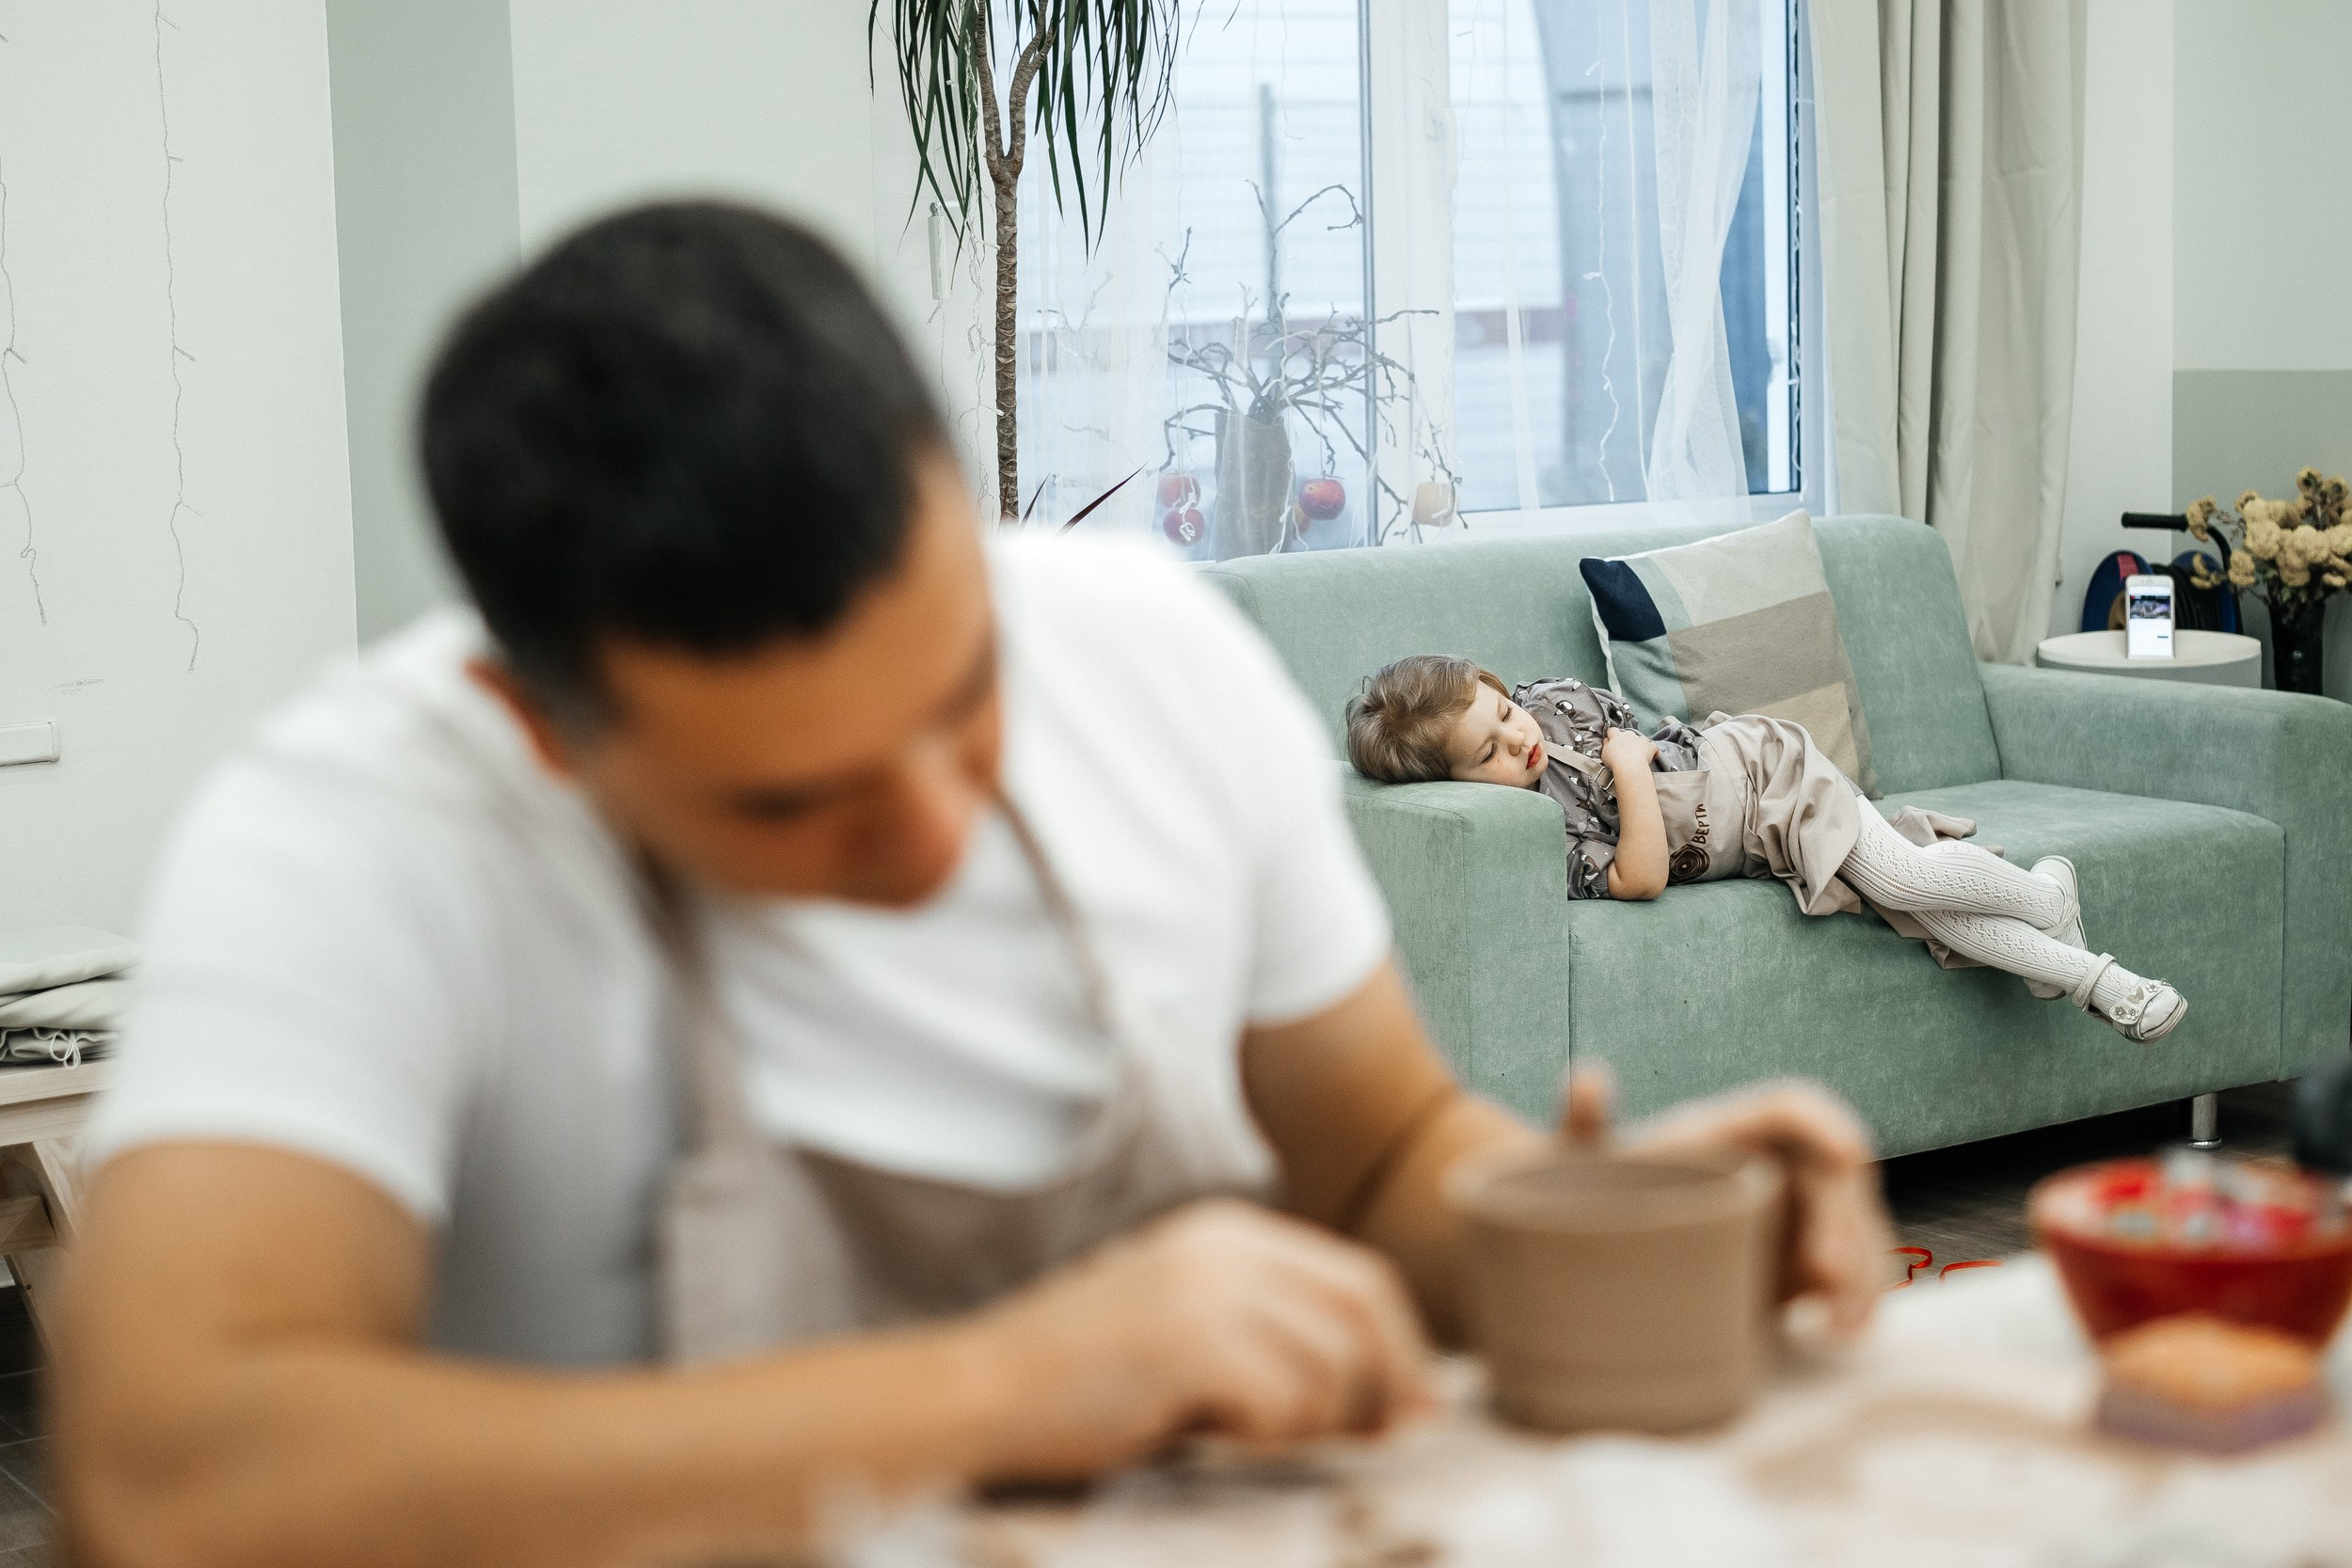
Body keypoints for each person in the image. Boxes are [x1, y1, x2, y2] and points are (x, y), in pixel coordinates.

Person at [55, 204, 1891, 1568]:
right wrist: (1008, 1381)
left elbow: (1379, 1152)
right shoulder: (352, 834)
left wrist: (1586, 1218)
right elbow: (181, 1472)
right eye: (803, 799)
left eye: (961, 696)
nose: (932, 829)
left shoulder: (1142, 652)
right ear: (545, 731)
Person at [1344, 656, 2186, 1044]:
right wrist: (1629, 774)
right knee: (1919, 913)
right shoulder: (1545, 839)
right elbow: (1639, 876)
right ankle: (2060, 923)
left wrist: (1627, 760)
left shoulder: (1556, 703)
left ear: (1500, 689)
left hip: (1762, 769)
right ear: (1455, 785)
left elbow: (1645, 745)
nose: (1514, 741)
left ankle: (2093, 969)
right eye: (1485, 755)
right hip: (1759, 842)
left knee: (1904, 873)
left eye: (1502, 715)